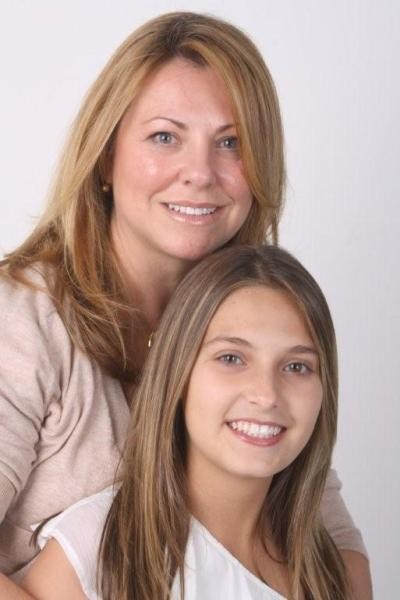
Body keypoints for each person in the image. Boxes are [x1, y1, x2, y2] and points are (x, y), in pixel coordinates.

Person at [0, 11, 371, 597]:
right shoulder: (22, 320)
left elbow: (323, 532)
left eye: (231, 143)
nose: (199, 173)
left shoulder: (254, 314)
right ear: (105, 156)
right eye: (165, 137)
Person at [21, 245, 352, 599]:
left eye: (297, 366)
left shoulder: (327, 571)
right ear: (177, 375)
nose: (267, 394)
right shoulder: (98, 552)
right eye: (231, 358)